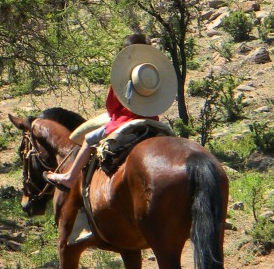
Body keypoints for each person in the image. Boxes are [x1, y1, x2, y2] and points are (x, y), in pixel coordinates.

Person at [44, 34, 175, 192]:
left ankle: (69, 177)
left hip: (125, 120)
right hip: (153, 120)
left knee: (89, 139)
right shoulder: (153, 74)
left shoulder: (124, 76)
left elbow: (111, 107)